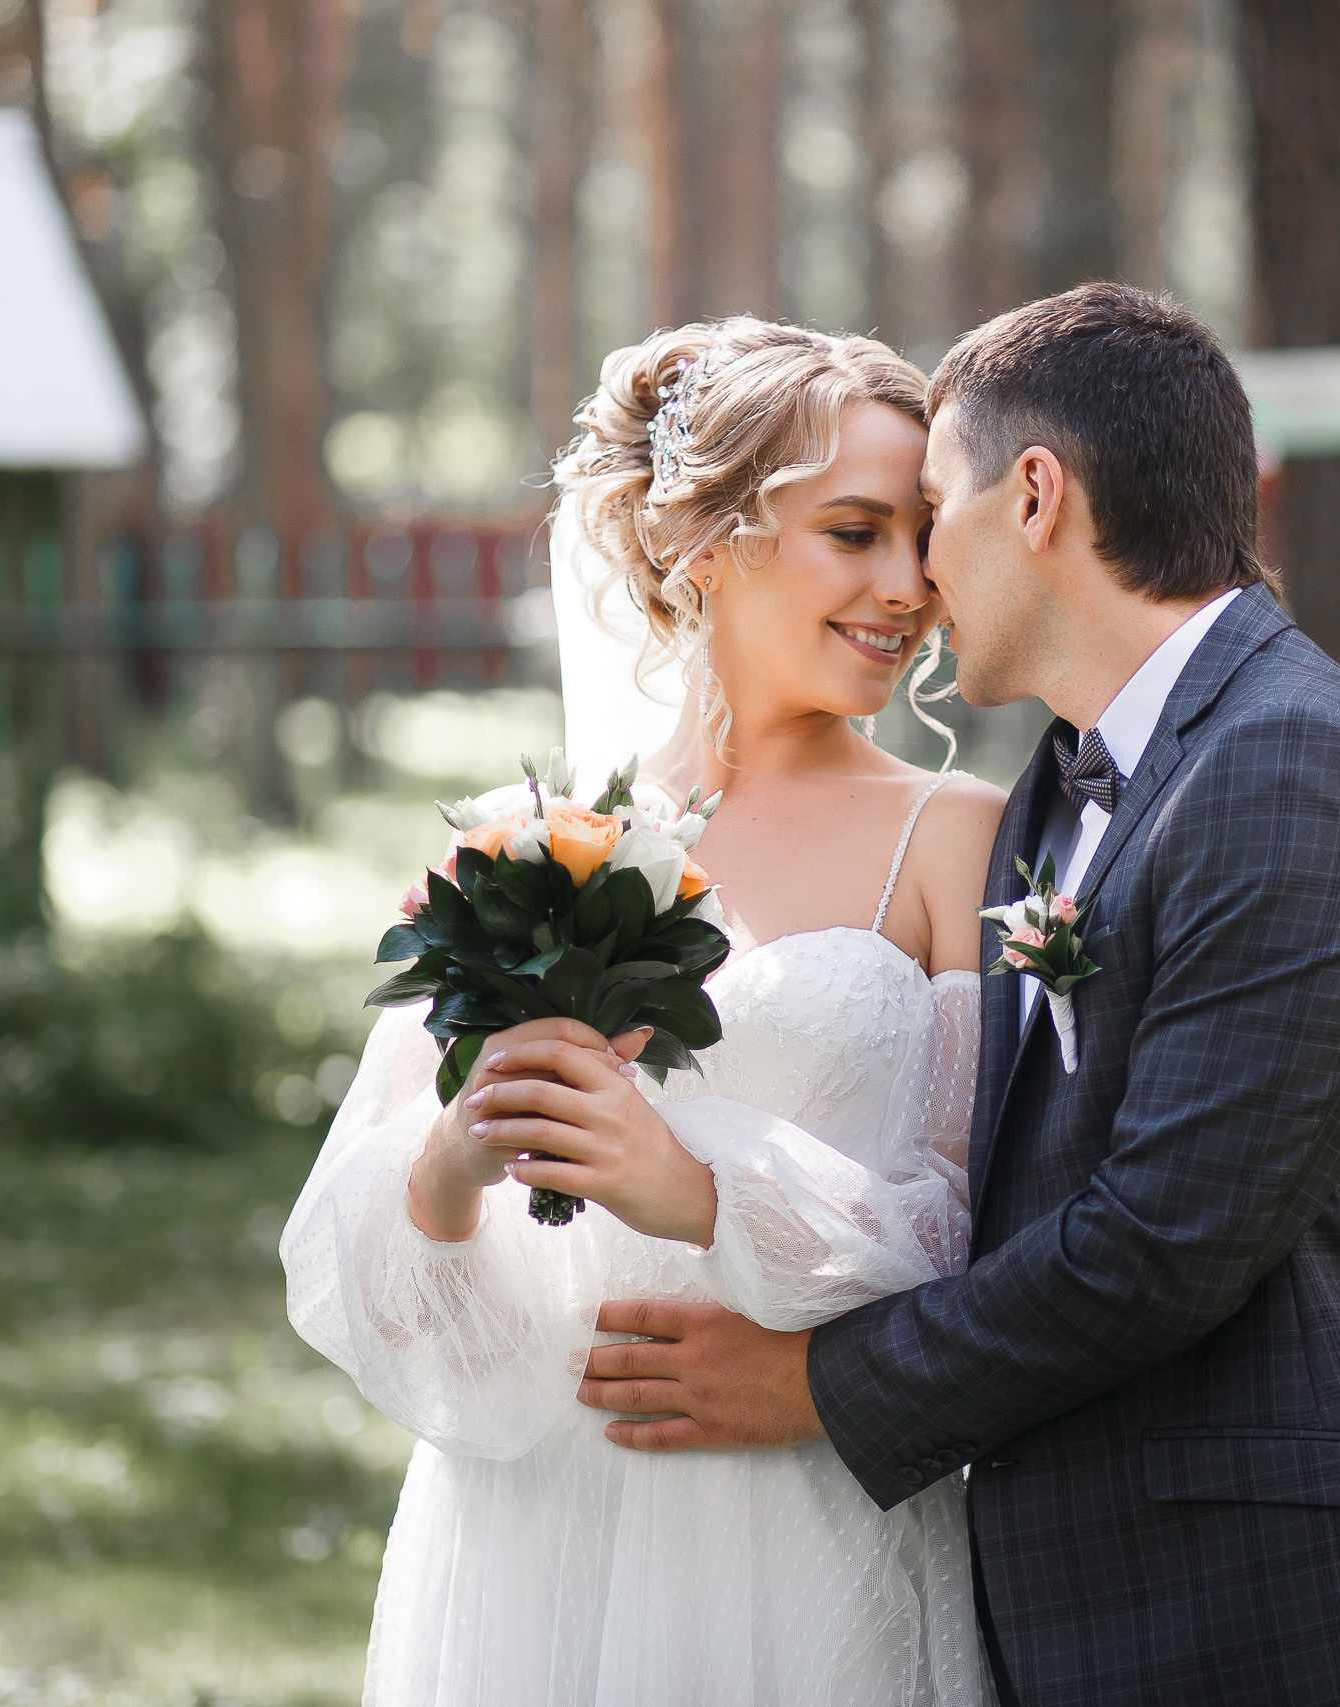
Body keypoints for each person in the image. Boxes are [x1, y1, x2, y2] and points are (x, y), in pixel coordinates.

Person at [576, 284, 1340, 1707]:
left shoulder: (1290, 763)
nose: (920, 576)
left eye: (931, 512)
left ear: (1032, 498)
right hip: (1075, 1593)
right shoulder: (1067, 789)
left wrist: (812, 1382)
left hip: (1259, 1614)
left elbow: (1163, 1242)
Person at [278, 316, 1007, 1706]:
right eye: (855, 532)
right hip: (538, 1530)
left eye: (922, 537)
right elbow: (383, 1280)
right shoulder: (535, 844)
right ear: (697, 540)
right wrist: (455, 1160)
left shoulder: (956, 835)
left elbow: (980, 1231)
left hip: (803, 1517)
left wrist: (699, 1192)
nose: (909, 585)